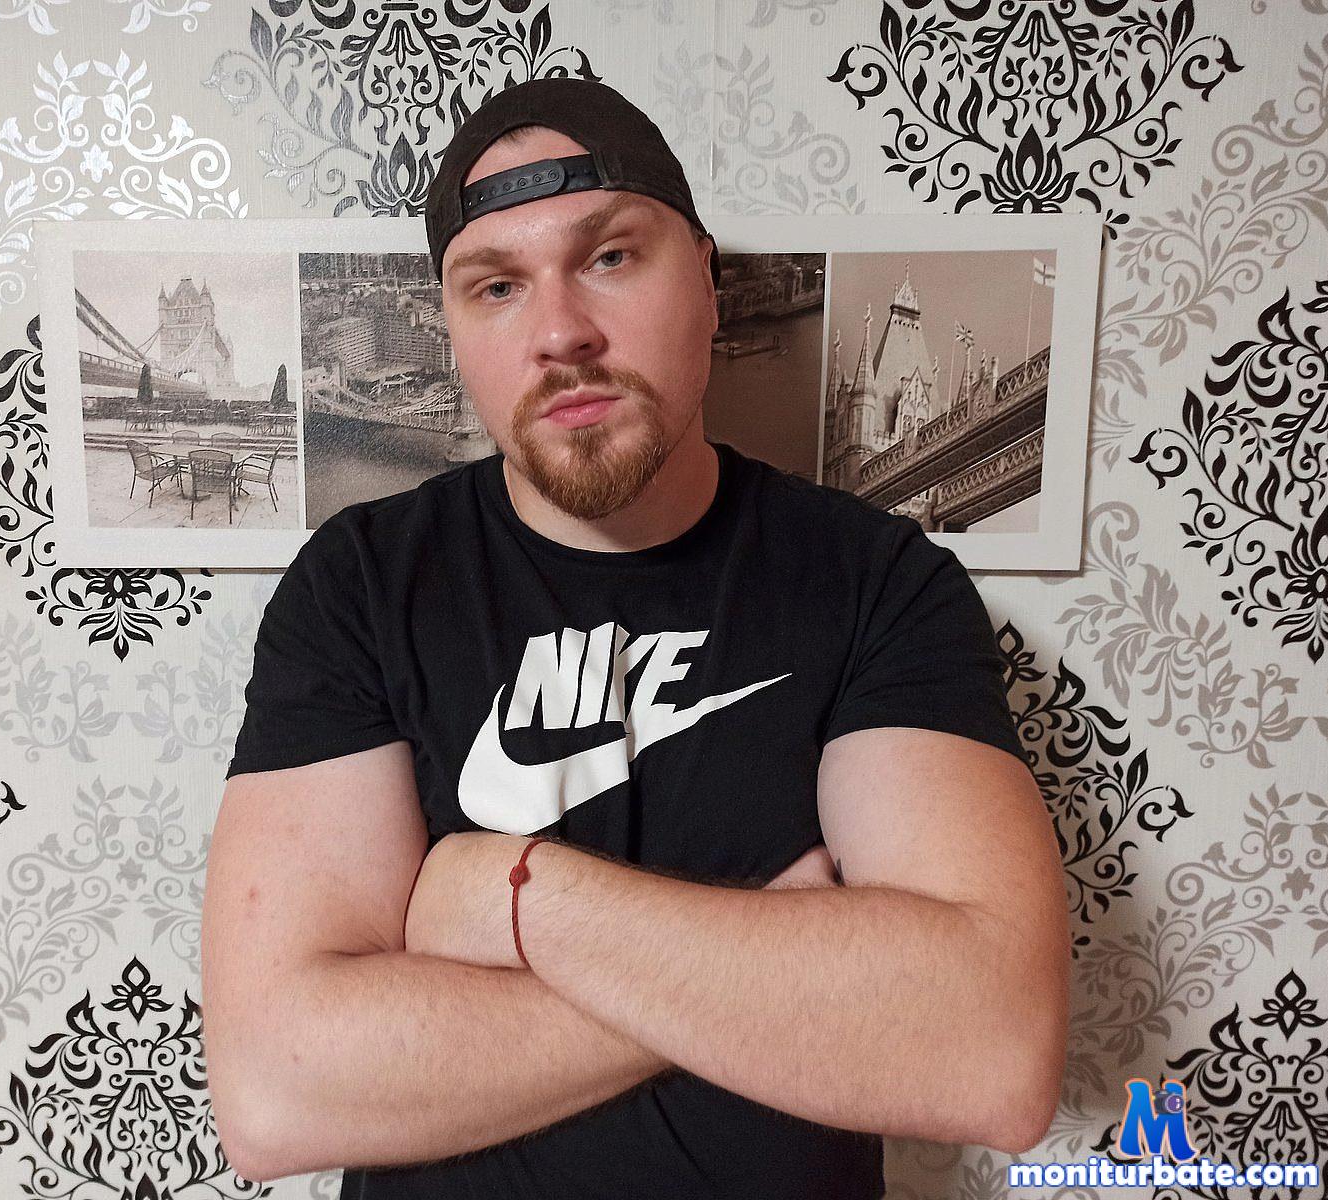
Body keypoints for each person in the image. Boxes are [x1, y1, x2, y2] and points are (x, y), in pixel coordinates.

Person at [200, 77, 1068, 1200]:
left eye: (610, 257)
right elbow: (278, 1093)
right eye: (497, 286)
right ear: (455, 333)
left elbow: (988, 1055)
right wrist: (768, 971)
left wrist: (513, 893)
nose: (561, 332)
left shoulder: (880, 584)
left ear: (706, 281)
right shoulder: (359, 587)